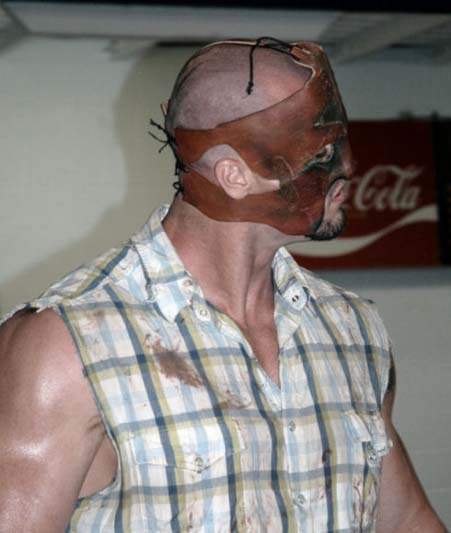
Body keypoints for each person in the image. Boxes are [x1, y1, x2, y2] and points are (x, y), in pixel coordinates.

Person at [0, 38, 445, 532]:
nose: (349, 166)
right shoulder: (65, 345)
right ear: (234, 175)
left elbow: (406, 520)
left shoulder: (353, 328)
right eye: (322, 153)